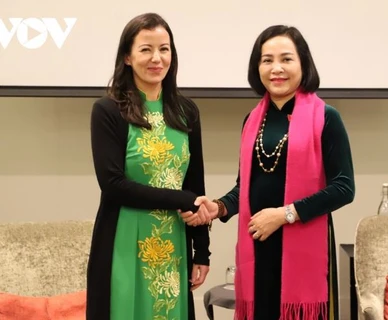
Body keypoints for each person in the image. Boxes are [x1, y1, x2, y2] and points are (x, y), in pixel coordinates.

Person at [181, 25, 355, 320]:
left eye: (286, 59)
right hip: (259, 244)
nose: (276, 68)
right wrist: (219, 207)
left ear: (303, 63)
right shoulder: (252, 120)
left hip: (301, 245)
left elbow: (344, 187)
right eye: (267, 60)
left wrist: (285, 214)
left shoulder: (326, 117)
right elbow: (245, 187)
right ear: (257, 67)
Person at [86, 13, 211, 320]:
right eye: (146, 49)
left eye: (164, 49)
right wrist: (184, 200)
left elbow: (196, 186)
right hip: (124, 241)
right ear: (127, 57)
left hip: (174, 242)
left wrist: (202, 252)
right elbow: (113, 185)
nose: (157, 58)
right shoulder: (108, 110)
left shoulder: (186, 111)